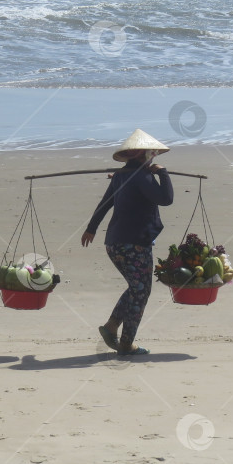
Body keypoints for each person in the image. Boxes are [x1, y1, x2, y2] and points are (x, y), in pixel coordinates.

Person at [81, 129, 174, 355]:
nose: (154, 157)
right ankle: (126, 342)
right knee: (141, 290)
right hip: (134, 243)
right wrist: (164, 174)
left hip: (114, 243)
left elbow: (105, 204)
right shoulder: (142, 178)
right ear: (144, 154)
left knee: (136, 288)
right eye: (151, 154)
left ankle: (112, 326)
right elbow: (166, 199)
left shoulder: (122, 176)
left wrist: (91, 229)